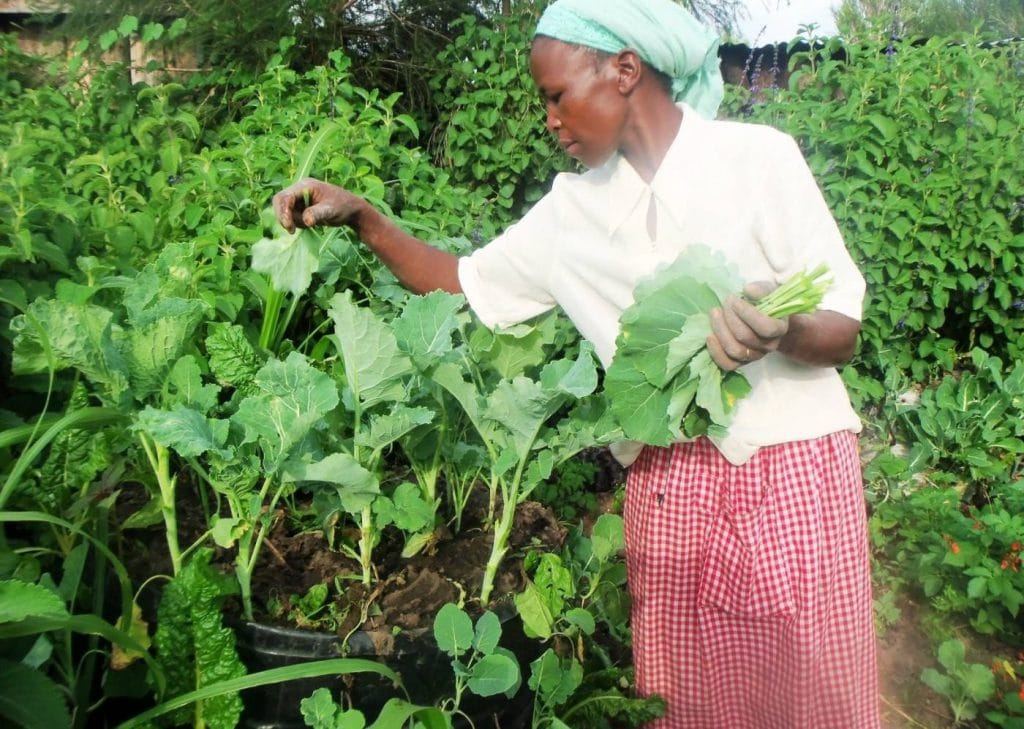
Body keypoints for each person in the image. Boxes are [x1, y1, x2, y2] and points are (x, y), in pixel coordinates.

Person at [273, 0, 880, 726]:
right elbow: (462, 280)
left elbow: (841, 327)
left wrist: (781, 328)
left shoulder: (757, 159)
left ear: (625, 70)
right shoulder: (571, 214)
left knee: (811, 701)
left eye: (557, 97)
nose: (551, 121)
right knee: (688, 703)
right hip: (670, 485)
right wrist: (365, 217)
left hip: (793, 472)